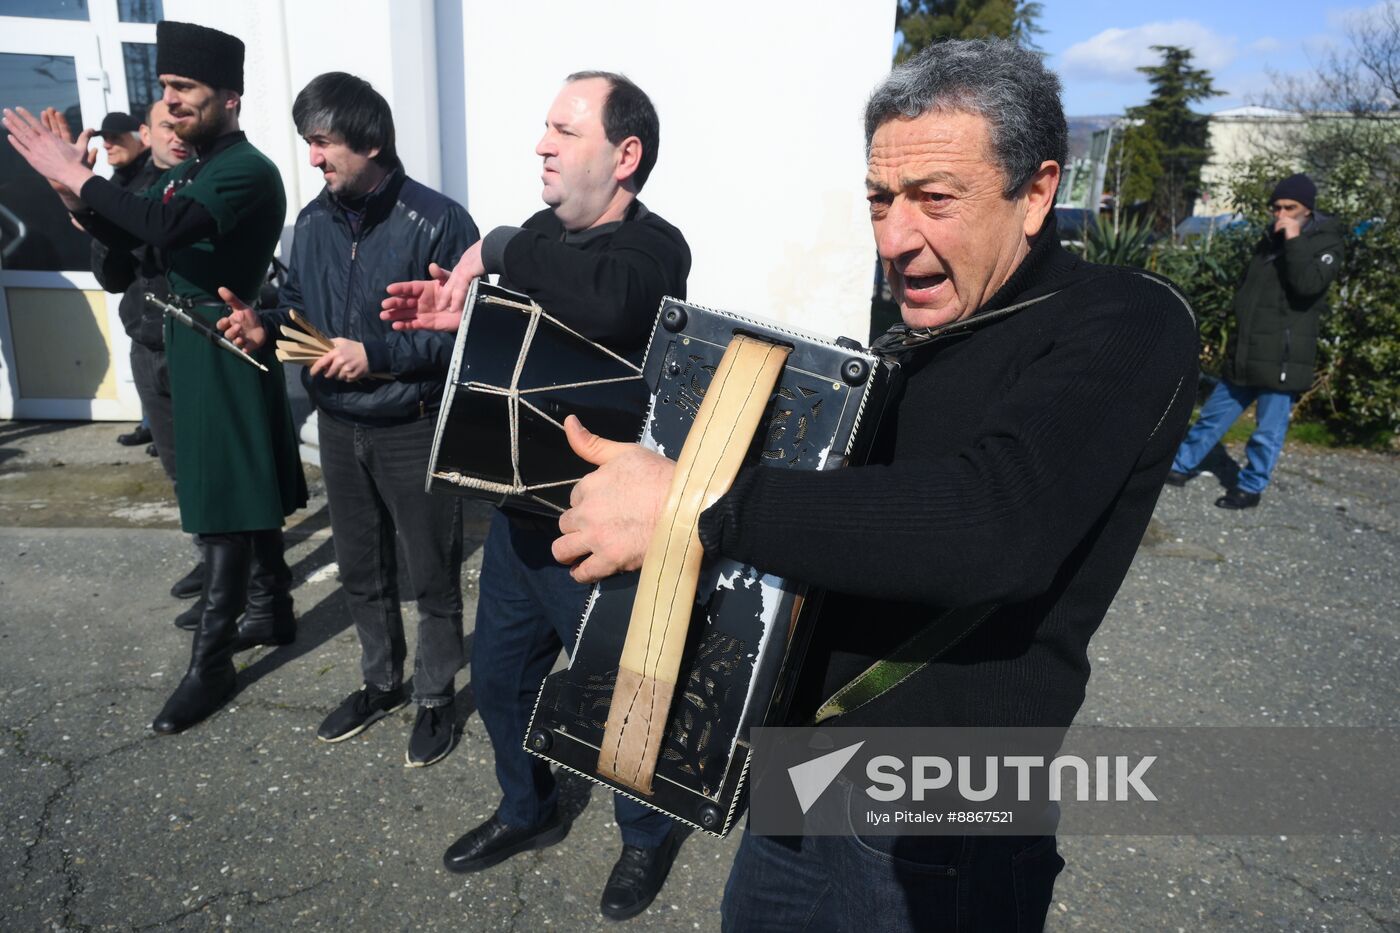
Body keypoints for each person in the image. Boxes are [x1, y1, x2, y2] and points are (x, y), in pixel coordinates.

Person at [546, 41, 1199, 931]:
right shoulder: (906, 345)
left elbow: (990, 523)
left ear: (1037, 191)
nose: (895, 238)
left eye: (936, 198)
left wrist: (694, 504)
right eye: (880, 201)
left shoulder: (1126, 319)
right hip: (801, 775)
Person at [380, 71, 691, 921]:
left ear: (624, 156)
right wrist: (464, 322)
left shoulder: (653, 249)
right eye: (544, 128)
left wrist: (501, 244)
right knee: (505, 680)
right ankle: (530, 807)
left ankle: (644, 834)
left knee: (619, 700)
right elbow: (523, 354)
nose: (542, 144)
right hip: (518, 521)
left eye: (564, 130)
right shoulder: (546, 242)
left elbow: (610, 305)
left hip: (605, 532)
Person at [3, 20, 306, 736]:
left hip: (226, 341)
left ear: (229, 97)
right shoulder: (183, 172)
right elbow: (122, 261)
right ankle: (273, 611)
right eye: (165, 88)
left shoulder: (245, 168)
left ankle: (212, 664)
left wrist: (86, 180)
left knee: (226, 503)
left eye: (185, 88)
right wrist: (76, 197)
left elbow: (163, 232)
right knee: (236, 490)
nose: (169, 102)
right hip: (188, 340)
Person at [217, 72, 479, 767]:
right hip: (338, 426)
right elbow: (300, 313)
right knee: (360, 567)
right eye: (309, 142)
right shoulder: (312, 220)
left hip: (412, 422)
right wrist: (261, 328)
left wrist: (380, 355)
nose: (314, 157)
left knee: (432, 570)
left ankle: (434, 693)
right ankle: (379, 681)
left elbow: (468, 334)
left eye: (323, 142)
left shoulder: (441, 221)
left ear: (371, 140)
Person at [81, 102, 203, 600]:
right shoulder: (129, 193)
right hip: (148, 346)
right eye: (164, 127)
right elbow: (110, 278)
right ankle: (210, 557)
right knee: (178, 468)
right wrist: (96, 217)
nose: (175, 135)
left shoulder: (206, 187)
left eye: (182, 126)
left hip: (198, 348)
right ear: (146, 133)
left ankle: (257, 578)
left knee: (216, 468)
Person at [1165, 173, 1344, 509]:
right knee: (1212, 416)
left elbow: (1307, 286)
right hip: (1247, 350)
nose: (1281, 214)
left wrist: (1293, 240)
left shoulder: (1325, 243)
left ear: (1308, 208)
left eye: (1290, 207)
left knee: (1267, 432)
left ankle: (1250, 487)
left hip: (1283, 356)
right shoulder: (1270, 239)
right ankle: (1180, 465)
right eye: (1276, 207)